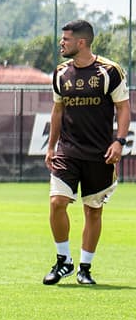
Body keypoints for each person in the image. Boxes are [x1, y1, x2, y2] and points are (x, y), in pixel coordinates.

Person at [42, 19, 131, 286]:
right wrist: (51, 146)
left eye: (66, 39)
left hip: (100, 154)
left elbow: (124, 108)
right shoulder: (60, 73)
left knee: (93, 211)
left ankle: (85, 267)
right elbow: (57, 110)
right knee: (57, 202)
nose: (61, 43)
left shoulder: (110, 71)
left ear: (81, 42)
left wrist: (120, 142)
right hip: (68, 152)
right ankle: (63, 260)